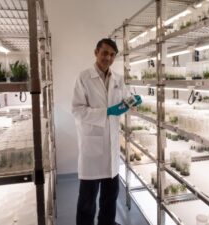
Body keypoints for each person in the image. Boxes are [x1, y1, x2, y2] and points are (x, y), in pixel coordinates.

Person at [72, 38, 142, 225]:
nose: (108, 57)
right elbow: (77, 110)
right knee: (87, 200)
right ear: (96, 52)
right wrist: (107, 112)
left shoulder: (118, 79)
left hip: (111, 148)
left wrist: (133, 101)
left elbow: (126, 101)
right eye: (105, 53)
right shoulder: (84, 77)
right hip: (91, 149)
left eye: (112, 54)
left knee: (110, 198)